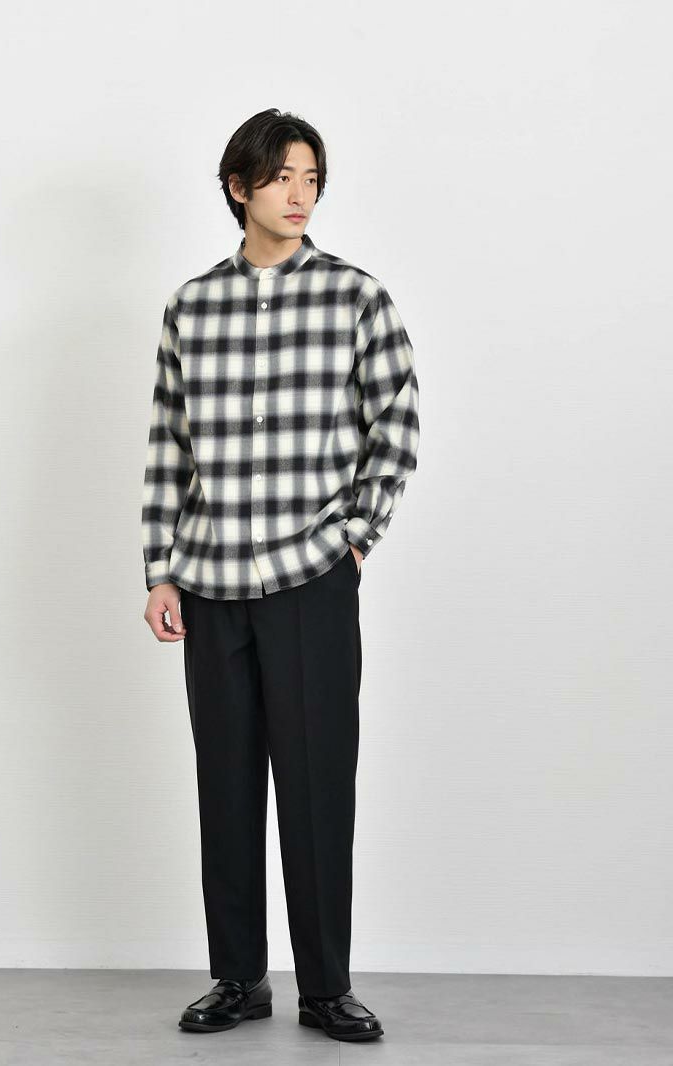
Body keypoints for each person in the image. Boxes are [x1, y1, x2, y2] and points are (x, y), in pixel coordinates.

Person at [141, 108, 420, 1043]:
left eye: (311, 178)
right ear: (239, 186)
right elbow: (168, 448)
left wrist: (354, 539)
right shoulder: (191, 308)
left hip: (310, 580)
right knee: (225, 787)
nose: (300, 195)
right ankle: (238, 980)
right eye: (281, 177)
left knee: (315, 787)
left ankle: (327, 987)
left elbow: (396, 425)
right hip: (211, 583)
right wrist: (161, 570)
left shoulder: (355, 298)